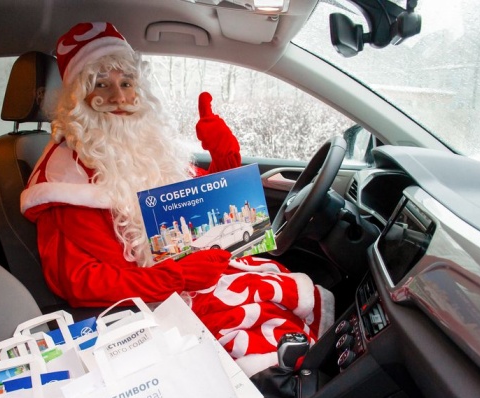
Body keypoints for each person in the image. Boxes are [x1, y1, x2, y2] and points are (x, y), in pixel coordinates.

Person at [21, 22, 333, 375]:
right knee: (274, 341)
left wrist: (223, 158)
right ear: (78, 99)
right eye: (102, 85)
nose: (120, 98)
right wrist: (176, 277)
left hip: (191, 278)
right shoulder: (66, 178)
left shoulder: (143, 143)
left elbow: (197, 208)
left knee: (283, 294)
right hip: (152, 308)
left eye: (127, 83)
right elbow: (78, 282)